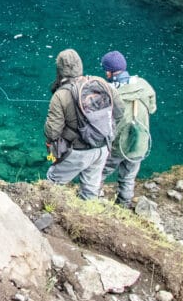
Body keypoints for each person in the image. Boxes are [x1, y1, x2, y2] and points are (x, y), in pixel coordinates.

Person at [44, 49, 122, 200]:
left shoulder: (61, 95)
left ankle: (49, 211)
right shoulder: (101, 83)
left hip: (78, 152)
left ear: (60, 69)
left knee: (52, 182)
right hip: (103, 148)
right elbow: (119, 112)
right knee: (91, 189)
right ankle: (87, 214)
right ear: (79, 65)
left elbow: (52, 132)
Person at [99, 50, 157, 209]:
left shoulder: (111, 93)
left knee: (100, 171)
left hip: (118, 145)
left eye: (106, 70)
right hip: (140, 143)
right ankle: (124, 205)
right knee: (129, 176)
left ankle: (91, 198)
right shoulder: (144, 85)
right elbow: (152, 109)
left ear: (109, 72)